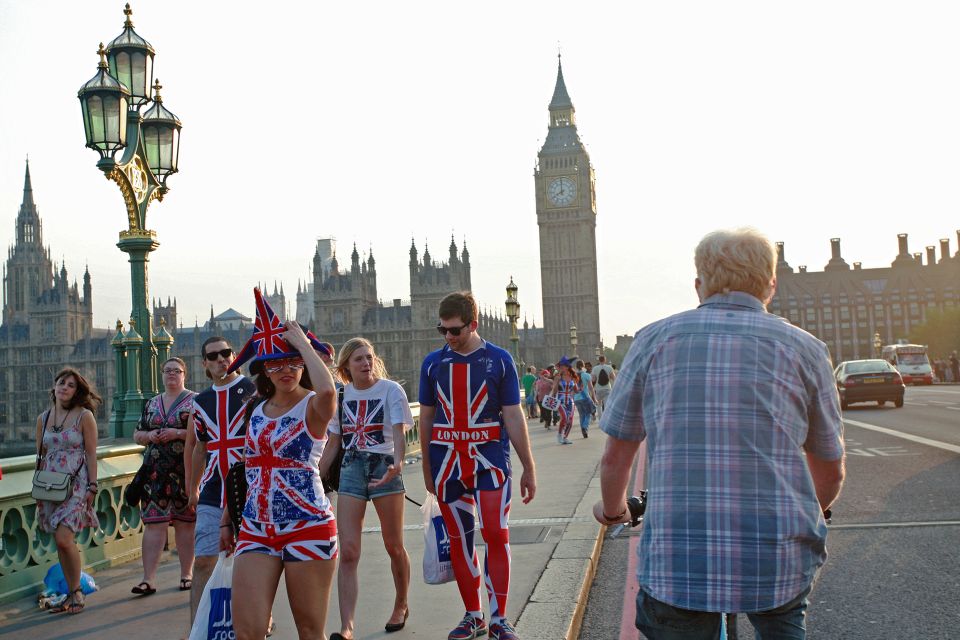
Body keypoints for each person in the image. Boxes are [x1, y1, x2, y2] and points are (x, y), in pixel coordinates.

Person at [594, 228, 846, 640]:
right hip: (778, 560)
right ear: (771, 285)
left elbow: (616, 458)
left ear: (699, 285)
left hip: (679, 566)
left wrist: (613, 511)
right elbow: (830, 471)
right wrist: (806, 513)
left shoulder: (653, 340)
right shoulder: (807, 350)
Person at [219, 294, 338, 640]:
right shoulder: (254, 409)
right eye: (274, 364)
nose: (284, 370)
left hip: (308, 525)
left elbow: (329, 392)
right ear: (263, 369)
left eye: (292, 362)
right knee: (248, 631)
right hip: (256, 526)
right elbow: (248, 468)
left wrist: (302, 342)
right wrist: (229, 517)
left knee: (309, 631)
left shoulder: (313, 407)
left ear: (303, 362)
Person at [419, 291, 537, 640]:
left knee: (496, 535)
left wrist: (529, 466)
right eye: (443, 330)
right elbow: (425, 419)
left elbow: (514, 415)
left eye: (455, 330)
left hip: (490, 461)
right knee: (459, 539)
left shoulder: (500, 361)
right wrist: (427, 467)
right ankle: (474, 615)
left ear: (474, 324)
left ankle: (499, 618)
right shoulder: (432, 364)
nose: (449, 337)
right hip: (447, 463)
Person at [322, 337, 413, 639]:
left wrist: (398, 463)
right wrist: (315, 476)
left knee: (393, 545)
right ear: (346, 365)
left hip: (384, 465)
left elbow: (399, 433)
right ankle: (346, 626)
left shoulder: (391, 390)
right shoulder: (342, 395)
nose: (366, 363)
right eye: (359, 358)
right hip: (351, 467)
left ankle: (401, 603)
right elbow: (334, 442)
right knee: (347, 551)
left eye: (369, 357)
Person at [184, 336, 257, 625]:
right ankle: (196, 628)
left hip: (250, 486)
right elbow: (200, 447)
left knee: (252, 560)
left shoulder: (252, 390)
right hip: (214, 488)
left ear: (235, 355)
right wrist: (193, 489)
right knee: (203, 561)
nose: (221, 359)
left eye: (226, 353)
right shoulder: (200, 402)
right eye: (213, 356)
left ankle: (259, 618)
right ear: (204, 364)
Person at [35, 368, 102, 614]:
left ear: (77, 391)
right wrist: (39, 490)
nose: (64, 387)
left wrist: (93, 486)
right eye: (61, 383)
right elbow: (40, 455)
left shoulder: (84, 416)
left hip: (76, 484)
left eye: (70, 385)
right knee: (60, 543)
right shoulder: (43, 418)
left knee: (65, 538)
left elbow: (92, 454)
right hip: (51, 486)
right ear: (54, 387)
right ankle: (70, 593)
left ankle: (76, 592)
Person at [131, 357, 196, 595]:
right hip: (154, 474)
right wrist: (150, 436)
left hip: (185, 472)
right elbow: (137, 433)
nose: (171, 375)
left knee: (185, 524)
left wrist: (178, 433)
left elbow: (205, 435)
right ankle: (148, 579)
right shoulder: (151, 403)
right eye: (167, 371)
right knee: (153, 524)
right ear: (162, 374)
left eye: (176, 371)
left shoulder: (195, 401)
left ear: (184, 375)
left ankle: (187, 574)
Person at [550, 357, 581, 444]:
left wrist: (581, 389)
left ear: (567, 367)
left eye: (562, 366)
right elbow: (554, 390)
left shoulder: (572, 377)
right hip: (560, 400)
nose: (560, 368)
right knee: (564, 417)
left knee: (570, 420)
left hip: (570, 401)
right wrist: (556, 381)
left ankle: (565, 437)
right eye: (560, 366)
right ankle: (559, 435)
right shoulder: (558, 377)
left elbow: (576, 390)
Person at [573, 360, 597, 438]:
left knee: (581, 415)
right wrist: (594, 398)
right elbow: (591, 388)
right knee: (588, 413)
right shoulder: (586, 375)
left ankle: (583, 430)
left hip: (576, 398)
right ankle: (584, 427)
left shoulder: (573, 376)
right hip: (585, 397)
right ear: (583, 366)